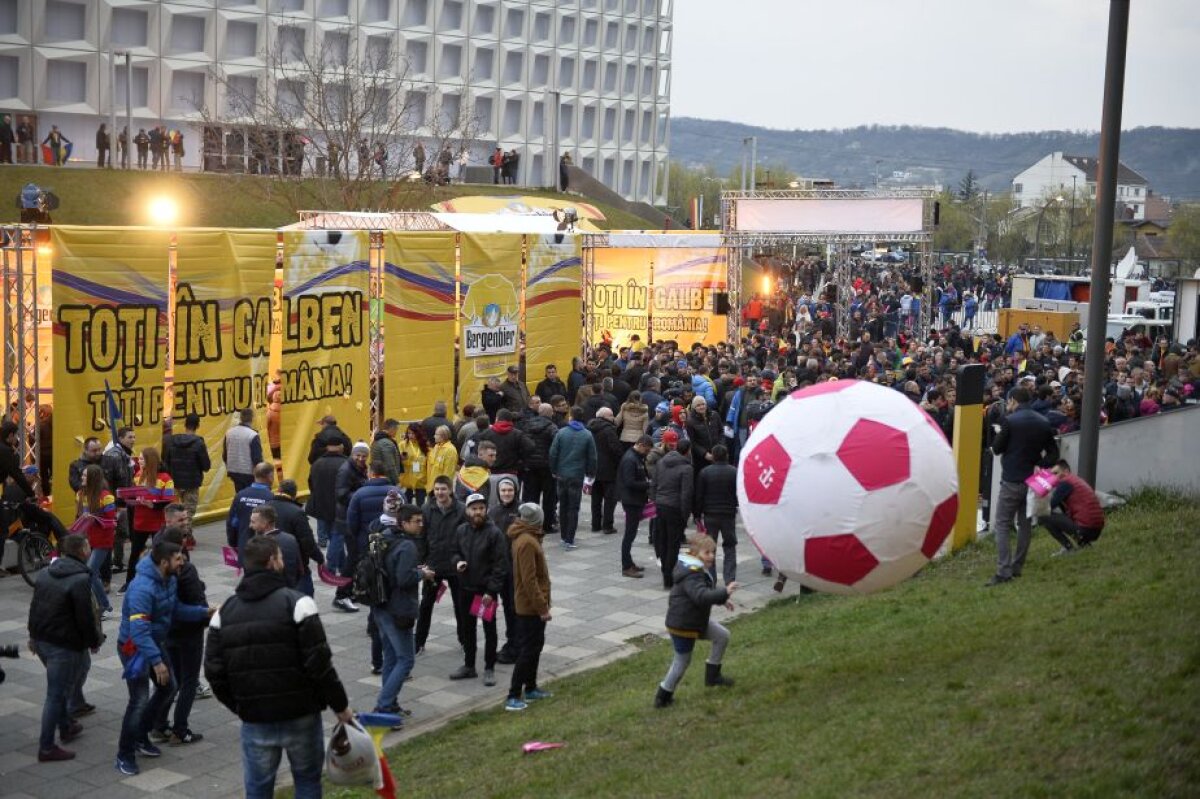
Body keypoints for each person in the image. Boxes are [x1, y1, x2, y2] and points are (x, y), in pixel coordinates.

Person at [205, 535, 354, 799]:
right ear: (272, 561)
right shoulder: (299, 604)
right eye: (281, 557)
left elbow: (215, 672)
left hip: (255, 718)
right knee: (307, 782)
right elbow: (320, 664)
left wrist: (240, 706)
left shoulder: (223, 613)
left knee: (258, 789)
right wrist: (340, 707)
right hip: (301, 714)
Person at [115, 540, 212, 776]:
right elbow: (139, 631)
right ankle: (124, 754)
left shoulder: (168, 579)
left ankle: (141, 734)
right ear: (163, 561)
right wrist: (157, 662)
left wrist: (203, 612)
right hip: (134, 648)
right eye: (178, 558)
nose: (183, 562)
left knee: (169, 687)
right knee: (138, 700)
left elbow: (175, 609)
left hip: (154, 644)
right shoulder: (142, 588)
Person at [27, 534, 103, 762]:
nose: (91, 547)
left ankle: (66, 725)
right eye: (89, 544)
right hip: (63, 644)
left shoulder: (46, 572)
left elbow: (35, 606)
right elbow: (85, 617)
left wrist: (32, 636)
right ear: (83, 551)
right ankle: (47, 747)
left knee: (58, 689)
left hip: (42, 639)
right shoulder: (80, 579)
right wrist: (94, 641)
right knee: (56, 694)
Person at [654, 534, 739, 708]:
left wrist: (722, 600)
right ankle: (663, 697)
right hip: (683, 625)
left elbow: (704, 593)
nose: (712, 556)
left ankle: (713, 677)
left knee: (722, 636)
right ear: (694, 554)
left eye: (713, 552)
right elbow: (700, 596)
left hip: (694, 621)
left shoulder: (694, 568)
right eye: (707, 552)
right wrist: (724, 592)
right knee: (682, 661)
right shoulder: (692, 573)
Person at [987, 386, 1059, 587]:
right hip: (1032, 482)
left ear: (1013, 401)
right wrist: (1040, 464)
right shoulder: (1043, 421)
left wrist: (999, 435)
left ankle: (1003, 571)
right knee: (1025, 524)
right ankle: (1017, 566)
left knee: (1002, 523)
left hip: (1011, 480)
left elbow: (998, 449)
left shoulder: (1009, 421)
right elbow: (1054, 454)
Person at [370, 502, 433, 723]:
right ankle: (384, 706)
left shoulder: (385, 536)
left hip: (380, 605)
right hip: (398, 610)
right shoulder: (407, 546)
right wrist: (422, 574)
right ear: (404, 523)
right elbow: (403, 578)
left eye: (421, 520)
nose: (421, 524)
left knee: (391, 657)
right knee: (406, 660)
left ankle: (391, 704)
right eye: (416, 521)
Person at [147, 525, 208, 747]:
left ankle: (159, 724)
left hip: (167, 631)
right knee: (189, 680)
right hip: (188, 630)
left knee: (173, 680)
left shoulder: (154, 570)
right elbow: (195, 599)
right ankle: (180, 729)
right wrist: (206, 615)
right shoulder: (186, 570)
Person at [449, 493, 507, 686]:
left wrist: (491, 592)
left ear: (486, 510)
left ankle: (489, 668)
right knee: (468, 629)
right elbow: (454, 552)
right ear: (467, 511)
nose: (478, 512)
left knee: (489, 630)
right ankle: (469, 666)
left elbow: (500, 566)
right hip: (465, 588)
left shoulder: (494, 533)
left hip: (485, 593)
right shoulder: (461, 531)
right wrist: (458, 563)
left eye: (481, 508)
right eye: (474, 509)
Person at [504, 503, 553, 711]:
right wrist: (542, 607)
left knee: (535, 647)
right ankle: (514, 695)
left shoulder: (528, 537)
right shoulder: (526, 542)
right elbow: (529, 580)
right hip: (529, 607)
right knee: (527, 650)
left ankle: (531, 688)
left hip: (532, 605)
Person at [417, 476, 466, 654]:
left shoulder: (461, 510)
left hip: (455, 566)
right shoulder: (426, 509)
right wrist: (422, 563)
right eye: (437, 489)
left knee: (460, 605)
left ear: (450, 490)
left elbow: (465, 538)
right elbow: (421, 537)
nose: (439, 493)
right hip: (433, 565)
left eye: (443, 489)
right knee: (426, 605)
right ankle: (419, 642)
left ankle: (464, 640)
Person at [120, 447, 175, 592]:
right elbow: (134, 495)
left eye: (142, 458)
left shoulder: (165, 478)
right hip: (140, 521)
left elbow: (168, 500)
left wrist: (152, 505)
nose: (139, 461)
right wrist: (130, 498)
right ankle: (129, 583)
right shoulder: (138, 475)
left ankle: (164, 581)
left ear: (150, 460)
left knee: (161, 552)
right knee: (134, 553)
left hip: (157, 522)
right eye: (139, 458)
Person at [548, 406, 596, 548]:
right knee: (573, 508)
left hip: (562, 474)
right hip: (577, 475)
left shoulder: (561, 433)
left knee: (563, 505)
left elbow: (553, 453)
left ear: (571, 417)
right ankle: (570, 538)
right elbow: (592, 458)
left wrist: (554, 469)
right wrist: (590, 473)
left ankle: (563, 536)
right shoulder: (587, 435)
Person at [269, 479, 324, 597]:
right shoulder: (296, 512)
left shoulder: (265, 507)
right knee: (305, 598)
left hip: (271, 561)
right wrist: (319, 559)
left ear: (278, 490)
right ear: (294, 495)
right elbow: (307, 541)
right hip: (296, 564)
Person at [331, 442, 369, 611]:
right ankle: (342, 595)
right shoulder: (346, 470)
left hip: (353, 519)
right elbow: (341, 494)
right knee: (352, 558)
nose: (360, 458)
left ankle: (351, 591)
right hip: (347, 521)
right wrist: (362, 494)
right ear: (352, 454)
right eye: (358, 455)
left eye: (364, 455)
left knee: (357, 557)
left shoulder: (359, 468)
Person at [76, 464, 118, 615]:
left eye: (85, 475)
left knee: (90, 572)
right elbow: (80, 515)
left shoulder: (106, 496)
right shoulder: (81, 494)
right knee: (93, 573)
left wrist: (93, 517)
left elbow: (111, 521)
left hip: (103, 540)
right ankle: (101, 605)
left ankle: (104, 606)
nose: (82, 477)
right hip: (89, 539)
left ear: (93, 478)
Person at [694, 444, 739, 585]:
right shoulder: (734, 472)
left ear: (713, 456)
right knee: (730, 546)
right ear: (726, 456)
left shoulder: (705, 472)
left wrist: (697, 514)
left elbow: (699, 495)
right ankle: (729, 579)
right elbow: (738, 493)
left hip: (710, 514)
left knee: (709, 547)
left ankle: (710, 579)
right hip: (728, 514)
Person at [654, 438, 694, 589]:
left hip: (661, 505)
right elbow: (686, 494)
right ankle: (669, 576)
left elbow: (654, 484)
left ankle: (665, 570)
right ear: (688, 451)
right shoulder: (687, 468)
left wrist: (655, 500)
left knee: (663, 541)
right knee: (673, 544)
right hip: (675, 508)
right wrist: (685, 515)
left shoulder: (661, 462)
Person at [1042, 460, 1105, 555]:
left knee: (1043, 516)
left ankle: (1068, 548)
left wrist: (1042, 490)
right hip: (1095, 529)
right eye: (1052, 475)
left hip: (1086, 529)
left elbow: (1049, 506)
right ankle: (1084, 544)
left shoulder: (1065, 483)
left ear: (1066, 471)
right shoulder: (1075, 480)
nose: (1054, 477)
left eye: (1056, 473)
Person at [518, 403, 558, 533]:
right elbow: (556, 447)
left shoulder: (527, 425)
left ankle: (530, 523)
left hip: (530, 466)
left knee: (531, 495)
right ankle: (547, 524)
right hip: (547, 467)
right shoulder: (552, 427)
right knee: (549, 497)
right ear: (550, 413)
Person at [616, 436, 653, 578]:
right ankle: (626, 566)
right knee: (629, 534)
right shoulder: (630, 459)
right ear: (641, 445)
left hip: (635, 499)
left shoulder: (636, 457)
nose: (647, 453)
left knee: (631, 534)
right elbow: (629, 482)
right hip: (631, 501)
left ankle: (629, 562)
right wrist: (648, 484)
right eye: (647, 450)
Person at [164, 413, 210, 519]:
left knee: (174, 512)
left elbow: (166, 462)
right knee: (188, 513)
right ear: (198, 426)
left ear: (185, 424)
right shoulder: (199, 443)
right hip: (192, 484)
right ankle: (185, 534)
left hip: (175, 483)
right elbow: (206, 466)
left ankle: (175, 533)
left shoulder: (171, 441)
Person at [226, 462, 275, 562]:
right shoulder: (271, 498)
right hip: (265, 550)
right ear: (269, 476)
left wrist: (234, 543)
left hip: (244, 547)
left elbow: (232, 523)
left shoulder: (240, 495)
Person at [587, 407, 623, 536]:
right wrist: (620, 461)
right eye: (612, 415)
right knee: (609, 499)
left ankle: (595, 524)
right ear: (606, 417)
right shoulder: (609, 430)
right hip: (608, 469)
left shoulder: (589, 428)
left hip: (593, 468)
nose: (613, 418)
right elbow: (615, 449)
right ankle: (607, 525)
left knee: (595, 498)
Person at [248, 505, 303, 588]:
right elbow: (299, 569)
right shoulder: (291, 539)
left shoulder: (257, 545)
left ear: (265, 523)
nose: (250, 525)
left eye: (253, 522)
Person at [306, 440, 346, 550]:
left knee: (322, 519)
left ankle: (322, 540)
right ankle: (334, 544)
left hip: (320, 497)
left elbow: (310, 482)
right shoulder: (345, 463)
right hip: (338, 500)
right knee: (336, 527)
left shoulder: (317, 463)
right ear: (341, 449)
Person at [223, 409, 263, 492]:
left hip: (233, 471)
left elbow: (224, 455)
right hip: (248, 473)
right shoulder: (253, 435)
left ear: (240, 418)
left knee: (239, 494)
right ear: (252, 418)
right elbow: (257, 459)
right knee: (250, 495)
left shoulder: (229, 433)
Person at [398, 423, 429, 505]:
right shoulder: (403, 445)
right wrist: (401, 458)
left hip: (421, 480)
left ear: (418, 433)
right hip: (407, 480)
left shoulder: (424, 445)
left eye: (413, 433)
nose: (410, 435)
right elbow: (397, 459)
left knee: (420, 505)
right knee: (407, 505)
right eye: (409, 433)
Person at [425, 425, 459, 494]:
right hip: (431, 488)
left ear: (444, 436)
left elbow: (448, 473)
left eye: (436, 434)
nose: (434, 436)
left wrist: (443, 489)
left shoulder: (450, 450)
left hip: (441, 490)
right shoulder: (436, 447)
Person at [370, 418, 403, 486]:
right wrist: (396, 481)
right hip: (387, 480)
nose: (396, 432)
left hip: (379, 477)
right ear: (392, 429)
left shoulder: (377, 440)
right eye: (396, 429)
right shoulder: (387, 443)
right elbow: (390, 465)